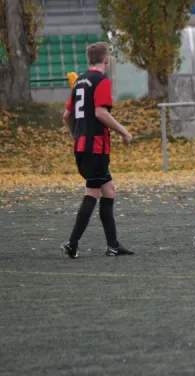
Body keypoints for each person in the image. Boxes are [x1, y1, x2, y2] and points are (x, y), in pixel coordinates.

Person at [60, 42, 134, 258]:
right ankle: (72, 243)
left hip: (82, 147)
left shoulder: (79, 82)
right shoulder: (101, 81)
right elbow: (101, 113)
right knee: (93, 192)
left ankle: (113, 245)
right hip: (96, 148)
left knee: (109, 191)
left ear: (88, 60)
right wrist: (124, 132)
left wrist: (76, 133)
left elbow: (66, 116)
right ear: (106, 60)